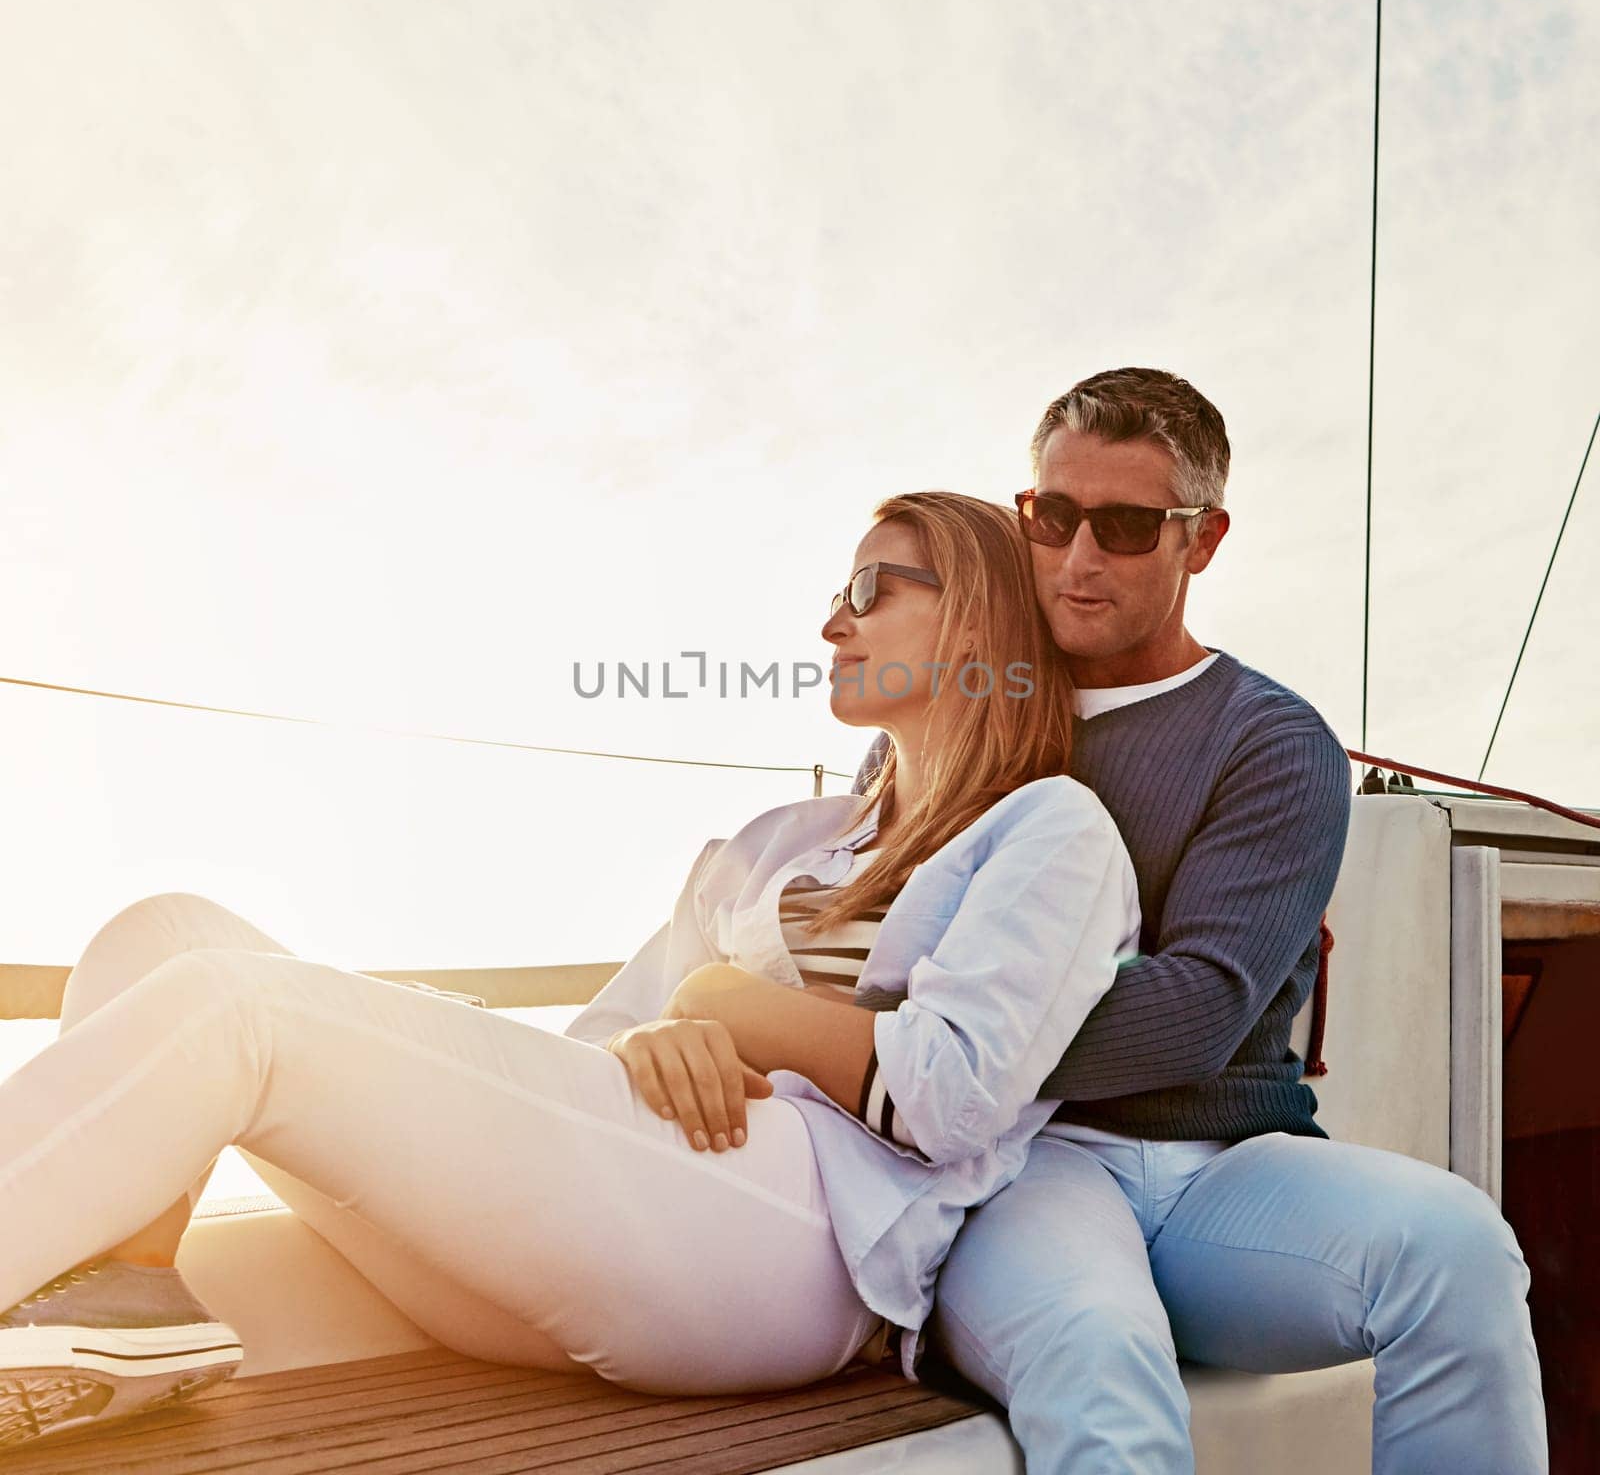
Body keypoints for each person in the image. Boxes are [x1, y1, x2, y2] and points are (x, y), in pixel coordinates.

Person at [0, 490, 1141, 1451]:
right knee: (165, 934)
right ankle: (130, 1290)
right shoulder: (775, 842)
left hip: (800, 1250)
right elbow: (594, 1049)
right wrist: (655, 1036)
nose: (829, 624)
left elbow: (948, 1098)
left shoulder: (1049, 831)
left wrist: (719, 1006)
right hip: (637, 1207)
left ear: (975, 614)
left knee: (237, 1009)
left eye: (866, 591)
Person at [854, 369, 1547, 1474]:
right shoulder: (945, 724)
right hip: (1018, 1166)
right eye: (1053, 516)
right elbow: (859, 953)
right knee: (1098, 1352)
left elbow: (1198, 1011)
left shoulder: (1269, 739)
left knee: (1459, 1253)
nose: (1079, 559)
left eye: (1127, 527)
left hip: (1224, 1169)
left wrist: (965, 1035)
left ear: (1202, 538)